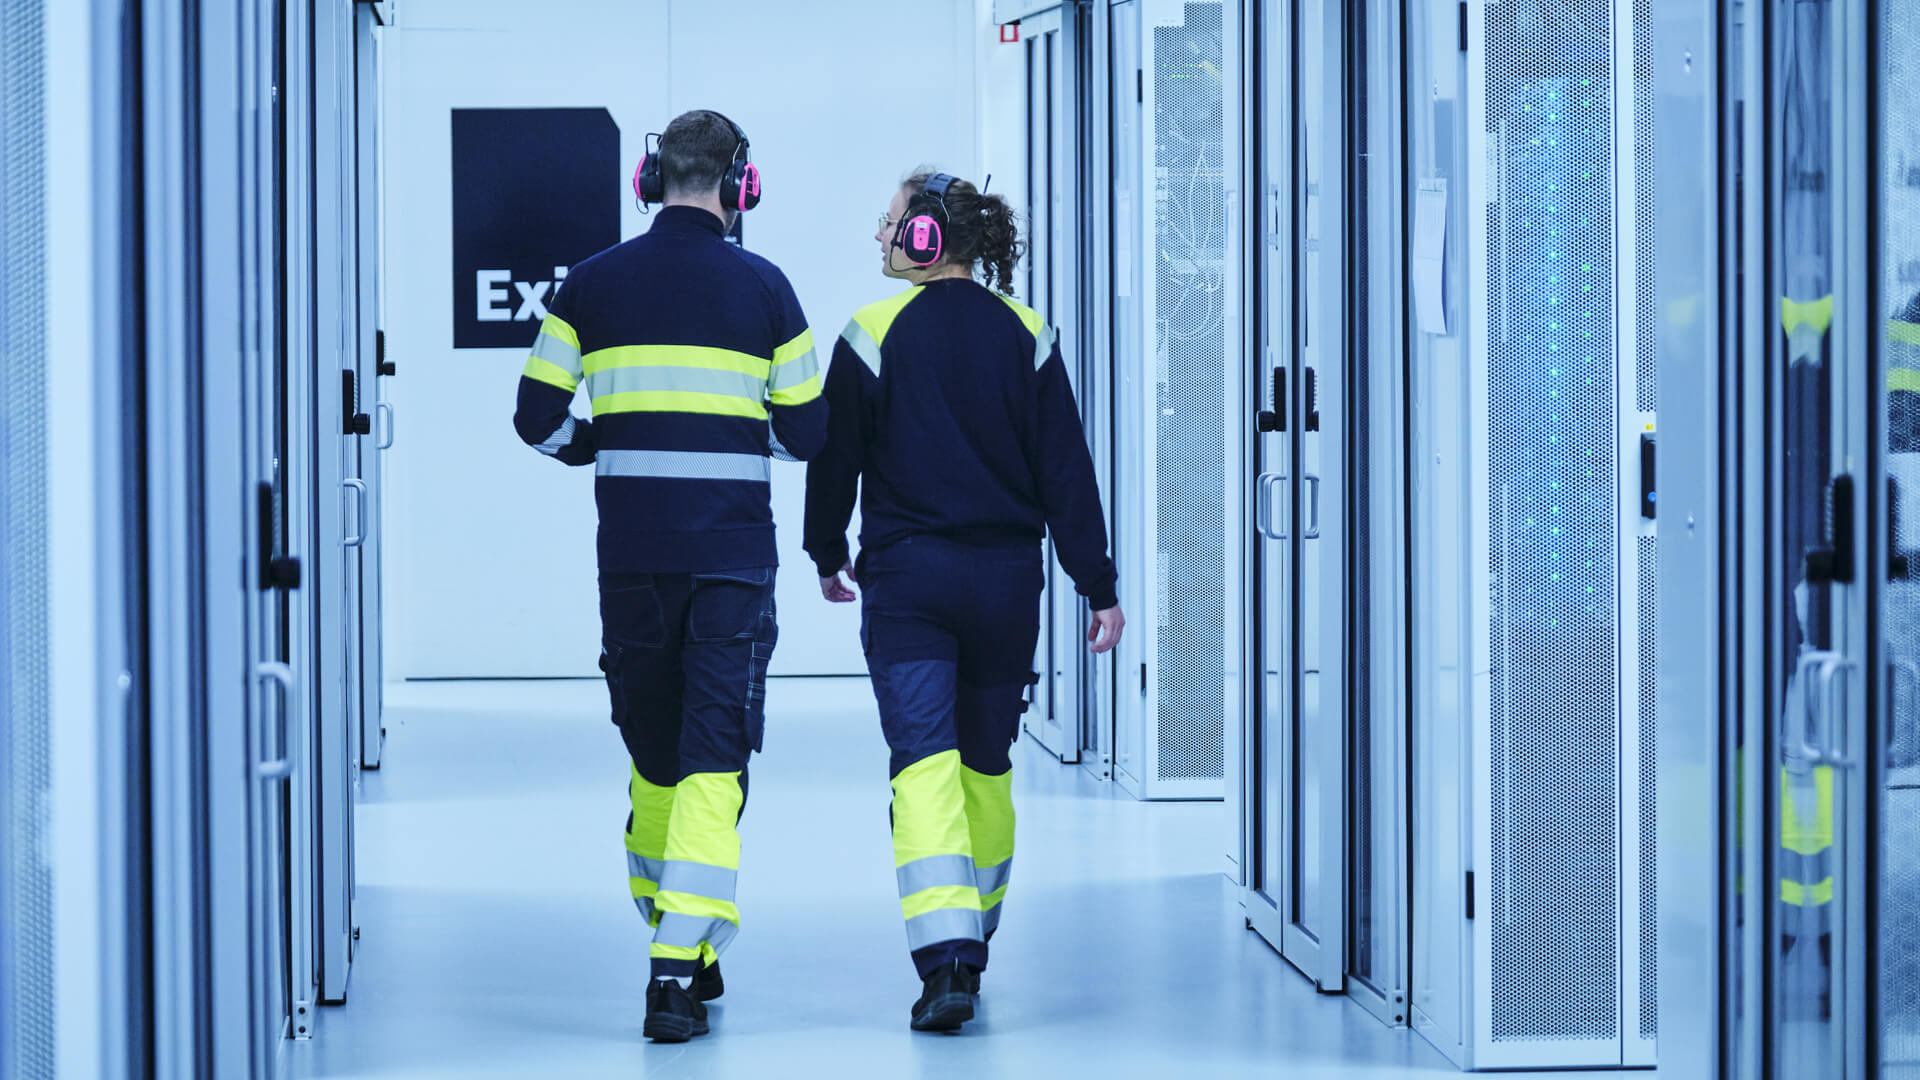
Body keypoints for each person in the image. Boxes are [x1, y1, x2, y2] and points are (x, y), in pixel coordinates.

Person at [511, 109, 826, 1043]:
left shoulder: (589, 286)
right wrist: (735, 433)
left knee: (655, 757)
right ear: (741, 185)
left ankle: (675, 937)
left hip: (633, 561)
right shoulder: (768, 288)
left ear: (651, 182)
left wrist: (599, 448)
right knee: (711, 760)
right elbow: (808, 433)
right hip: (731, 560)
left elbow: (535, 419)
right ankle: (675, 975)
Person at [803, 169, 1124, 1033]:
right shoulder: (1028, 334)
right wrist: (1098, 585)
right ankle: (973, 937)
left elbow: (833, 465)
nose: (881, 234)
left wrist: (826, 552)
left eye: (893, 221)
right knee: (984, 766)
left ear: (927, 237)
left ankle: (945, 962)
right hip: (1005, 586)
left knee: (923, 763)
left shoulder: (869, 334)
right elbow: (1068, 472)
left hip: (909, 585)